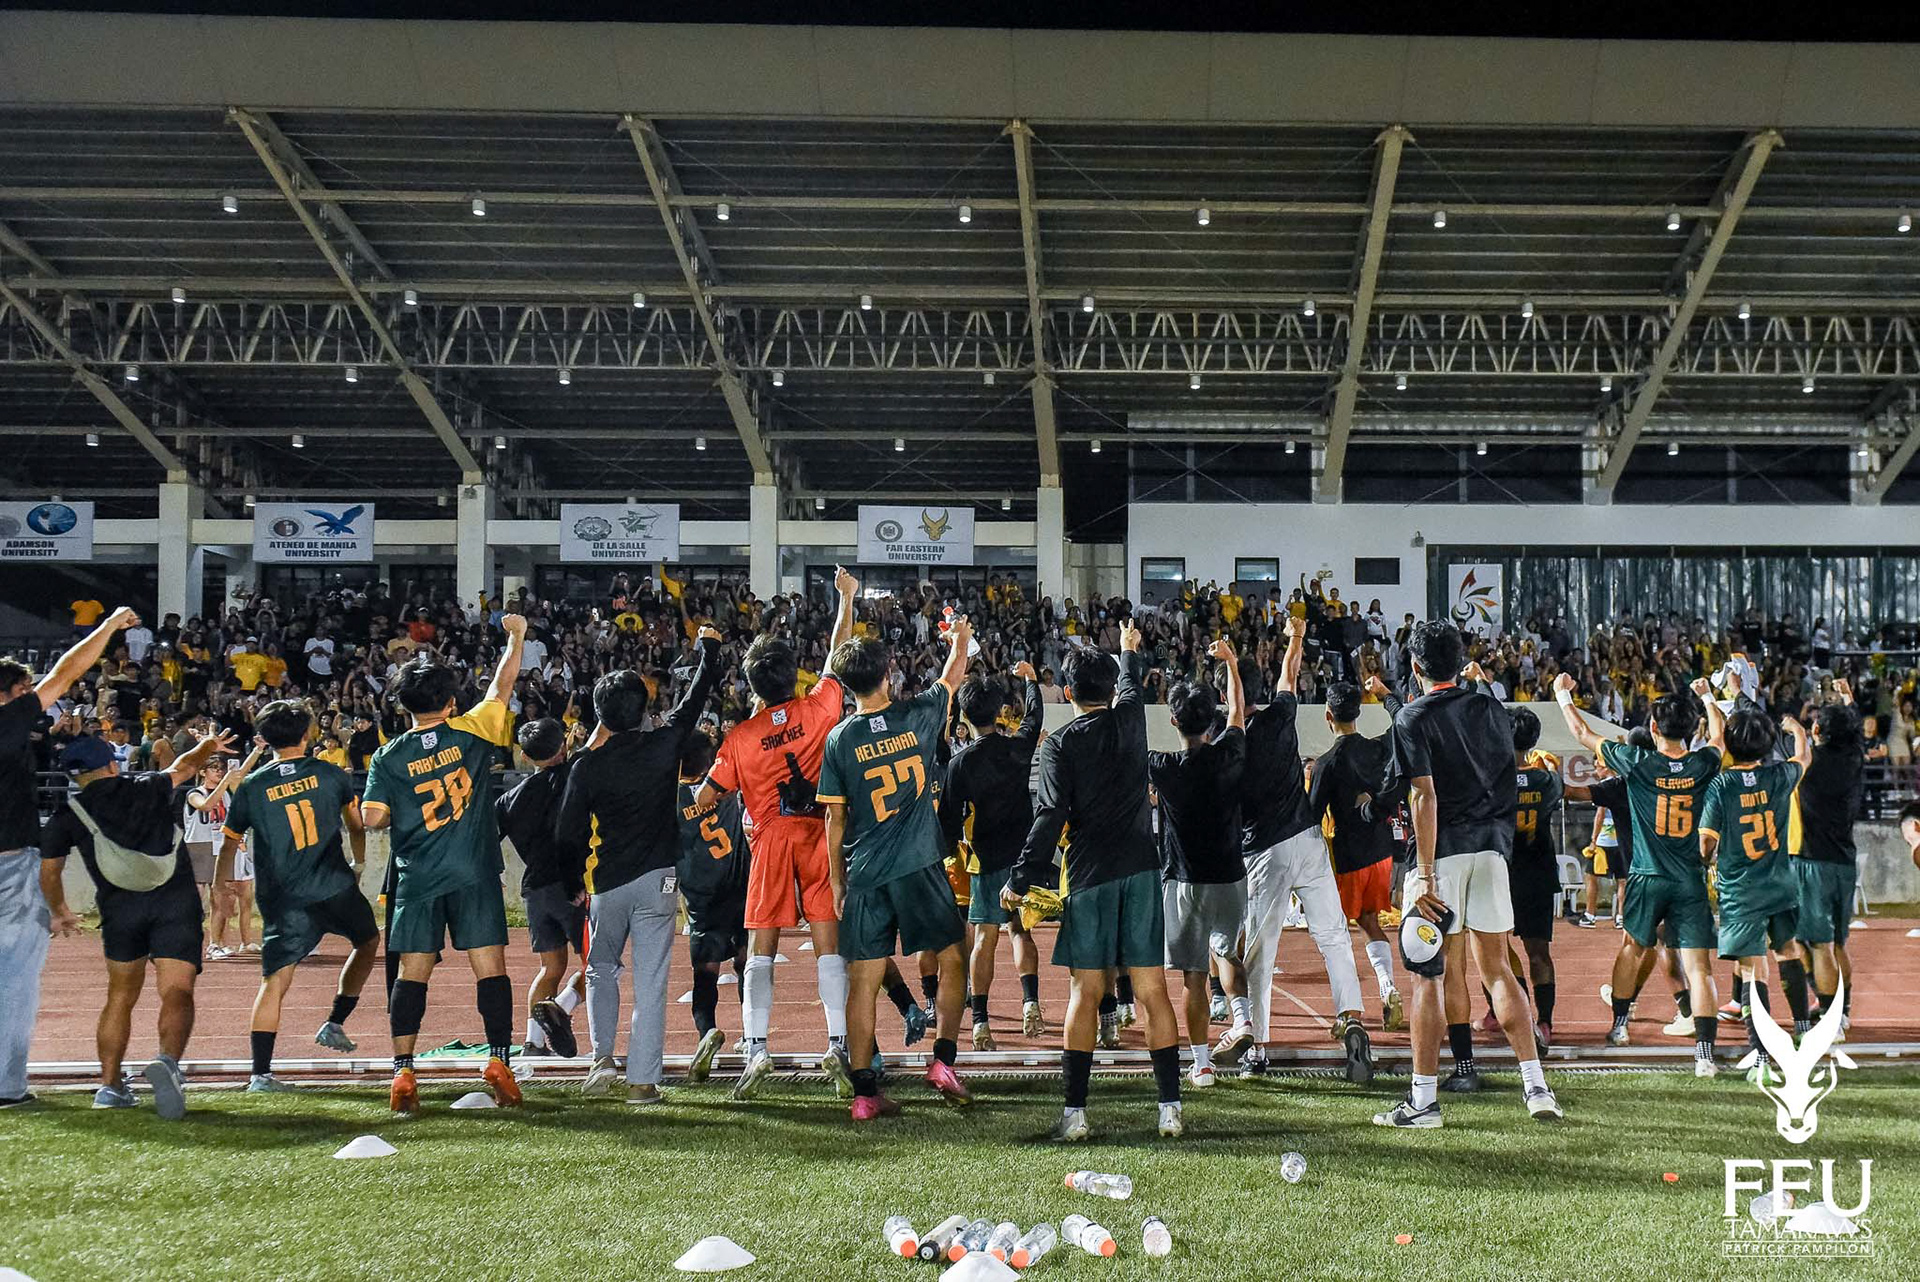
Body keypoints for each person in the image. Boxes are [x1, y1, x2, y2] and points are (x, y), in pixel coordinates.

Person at [1002, 617, 1186, 1143]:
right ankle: (1170, 1110)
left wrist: (1021, 879)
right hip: (1142, 868)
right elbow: (1130, 684)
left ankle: (1076, 1114)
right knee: (1152, 989)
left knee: (1085, 993)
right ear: (1110, 690)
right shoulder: (1131, 721)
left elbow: (1050, 816)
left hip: (1089, 874)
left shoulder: (1059, 745)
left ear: (1067, 693)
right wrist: (1128, 649)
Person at [1375, 622, 1560, 1128]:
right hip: (1493, 852)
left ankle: (1423, 1101)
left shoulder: (1412, 716)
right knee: (1497, 969)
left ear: (1415, 666)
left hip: (1444, 854)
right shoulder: (1493, 710)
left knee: (1429, 975)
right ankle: (1536, 1088)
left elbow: (1424, 795)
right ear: (1460, 662)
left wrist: (1425, 874)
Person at [695, 567, 858, 1100]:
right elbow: (838, 652)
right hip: (819, 834)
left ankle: (757, 1048)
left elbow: (707, 796)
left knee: (761, 946)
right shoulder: (819, 707)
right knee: (827, 942)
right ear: (794, 676)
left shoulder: (741, 737)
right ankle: (837, 1043)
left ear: (753, 687)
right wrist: (846, 599)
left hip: (769, 840)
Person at [361, 613, 527, 1115]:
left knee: (411, 974)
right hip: (474, 870)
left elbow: (373, 818)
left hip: (418, 876)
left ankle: (403, 1069)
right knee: (490, 969)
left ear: (402, 705)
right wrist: (515, 637)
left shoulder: (388, 756)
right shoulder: (472, 731)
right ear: (451, 702)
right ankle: (498, 1060)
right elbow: (502, 685)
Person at [557, 625, 721, 1106]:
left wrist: (572, 883)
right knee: (651, 982)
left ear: (599, 716)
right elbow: (695, 698)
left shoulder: (586, 765)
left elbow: (568, 833)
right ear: (645, 709)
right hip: (658, 879)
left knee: (600, 969)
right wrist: (708, 648)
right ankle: (643, 1083)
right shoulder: (664, 744)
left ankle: (602, 1061)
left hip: (606, 881)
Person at [819, 618, 974, 1120]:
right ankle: (943, 1062)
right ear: (888, 673)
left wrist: (837, 881)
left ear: (847, 685)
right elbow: (952, 676)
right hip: (919, 863)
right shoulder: (917, 715)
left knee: (863, 981)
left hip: (865, 870)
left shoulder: (839, 739)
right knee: (954, 956)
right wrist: (960, 638)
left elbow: (834, 817)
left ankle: (864, 1094)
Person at [40, 724, 235, 1117]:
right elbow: (184, 766)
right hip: (174, 903)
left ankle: (110, 1086)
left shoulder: (69, 813)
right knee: (177, 990)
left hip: (120, 911)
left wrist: (59, 910)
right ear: (112, 764)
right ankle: (167, 1062)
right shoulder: (147, 785)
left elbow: (49, 870)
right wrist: (207, 745)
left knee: (120, 997)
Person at [0, 606, 142, 1109]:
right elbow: (66, 673)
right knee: (14, 980)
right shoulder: (8, 720)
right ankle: (5, 1087)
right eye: (22, 691)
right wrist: (109, 626)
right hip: (8, 864)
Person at [1218, 615, 1367, 1079]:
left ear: (1227, 695)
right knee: (1334, 937)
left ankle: (1257, 1049)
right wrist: (1296, 637)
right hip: (1308, 838)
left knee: (1260, 952)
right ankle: (1352, 1018)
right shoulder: (1283, 716)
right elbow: (1289, 671)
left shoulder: (1230, 743)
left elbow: (1241, 709)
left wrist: (1229, 666)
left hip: (1265, 851)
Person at [1555, 672, 1723, 1077]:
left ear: (1653, 727)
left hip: (1647, 875)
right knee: (1699, 966)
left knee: (1631, 948)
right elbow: (1720, 737)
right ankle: (1704, 1055)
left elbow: (1582, 733)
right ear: (1691, 728)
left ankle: (1620, 1025)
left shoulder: (1638, 762)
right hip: (1689, 877)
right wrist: (1708, 696)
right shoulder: (1702, 762)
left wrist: (1562, 696)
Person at [212, 700, 375, 1091]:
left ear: (264, 738)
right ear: (308, 734)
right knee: (368, 941)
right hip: (333, 885)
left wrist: (219, 886)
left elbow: (229, 843)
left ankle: (260, 1074)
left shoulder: (252, 785)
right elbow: (356, 826)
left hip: (282, 896)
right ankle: (335, 1020)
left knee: (274, 981)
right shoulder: (330, 774)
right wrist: (358, 863)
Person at [1149, 639, 1248, 1090]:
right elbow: (1238, 713)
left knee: (1193, 976)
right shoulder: (1230, 755)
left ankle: (1202, 1063)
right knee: (1228, 953)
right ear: (1212, 720)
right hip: (1231, 876)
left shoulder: (1164, 767)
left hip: (1185, 880)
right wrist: (1231, 664)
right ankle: (1242, 1019)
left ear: (1174, 721)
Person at [1699, 707, 1813, 1083]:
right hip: (1780, 881)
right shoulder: (1779, 775)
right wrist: (1797, 730)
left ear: (1730, 744)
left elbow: (1705, 843)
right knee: (1788, 951)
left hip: (1741, 889)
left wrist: (1703, 860)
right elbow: (1803, 757)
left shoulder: (1722, 785)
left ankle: (1762, 1057)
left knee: (1752, 969)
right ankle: (1803, 1030)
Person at [938, 661, 1046, 1050]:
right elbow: (1034, 718)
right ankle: (1030, 1001)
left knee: (984, 936)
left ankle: (981, 1021)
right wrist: (1031, 681)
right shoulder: (1017, 747)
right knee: (1020, 930)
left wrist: (949, 857)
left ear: (966, 716)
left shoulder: (961, 763)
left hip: (984, 857)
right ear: (1000, 710)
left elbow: (947, 822)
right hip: (1022, 856)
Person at [1308, 678, 1406, 1051]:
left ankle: (1349, 1012)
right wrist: (1387, 695)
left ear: (1328, 716)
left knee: (1337, 933)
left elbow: (1311, 817)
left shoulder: (1326, 764)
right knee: (1369, 921)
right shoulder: (1378, 748)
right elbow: (1404, 723)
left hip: (1347, 857)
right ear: (1358, 712)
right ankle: (1388, 986)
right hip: (1381, 851)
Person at [493, 718, 586, 1074]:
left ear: (524, 755)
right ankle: (561, 1007)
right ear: (563, 746)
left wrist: (495, 876)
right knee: (597, 963)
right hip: (572, 886)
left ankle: (532, 1041)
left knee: (550, 967)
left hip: (535, 889)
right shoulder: (574, 775)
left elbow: (487, 841)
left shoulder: (508, 799)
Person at [675, 732, 751, 1083]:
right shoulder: (726, 788)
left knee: (705, 973)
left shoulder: (671, 799)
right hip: (740, 884)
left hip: (701, 895)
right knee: (746, 962)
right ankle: (751, 1035)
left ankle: (706, 1033)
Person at [1792, 681, 1865, 1036]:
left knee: (1814, 943)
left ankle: (1830, 1016)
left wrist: (1795, 730)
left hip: (1812, 863)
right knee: (1836, 944)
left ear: (1817, 730)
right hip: (1843, 861)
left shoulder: (1809, 763)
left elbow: (1771, 743)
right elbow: (1856, 732)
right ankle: (1842, 1009)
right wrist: (1849, 699)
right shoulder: (1854, 758)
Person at [1507, 707, 1564, 1054]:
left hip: (1504, 873)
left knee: (1496, 951)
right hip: (1539, 873)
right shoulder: (1547, 779)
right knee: (1539, 952)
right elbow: (1558, 784)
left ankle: (1512, 1011)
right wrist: (1550, 766)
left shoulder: (1494, 777)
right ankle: (1545, 1021)